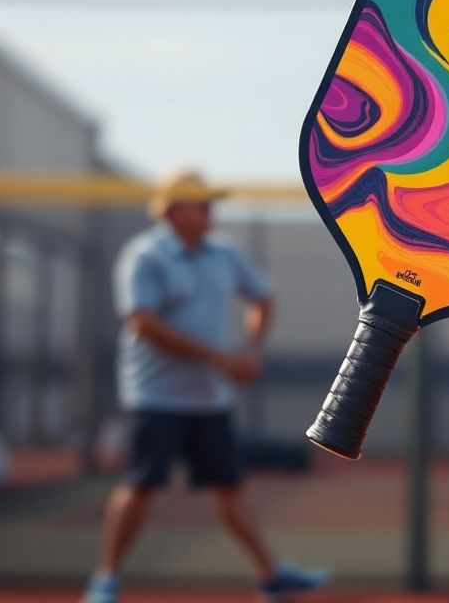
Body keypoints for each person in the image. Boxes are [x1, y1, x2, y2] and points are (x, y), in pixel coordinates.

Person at [82, 170, 330, 603]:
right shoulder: (145, 256)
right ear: (173, 212)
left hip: (209, 399)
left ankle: (270, 576)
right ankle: (107, 579)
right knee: (141, 485)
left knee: (231, 487)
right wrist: (220, 358)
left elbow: (263, 296)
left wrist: (251, 350)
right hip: (156, 396)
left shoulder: (224, 253)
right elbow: (144, 324)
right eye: (201, 204)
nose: (210, 211)